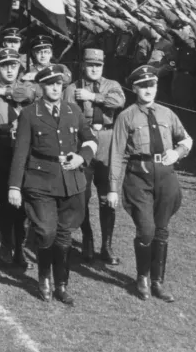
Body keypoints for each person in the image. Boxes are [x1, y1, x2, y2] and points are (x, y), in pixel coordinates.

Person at [8, 65, 97, 305]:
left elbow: (90, 139)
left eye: (59, 83)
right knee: (46, 231)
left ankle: (62, 284)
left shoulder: (73, 110)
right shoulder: (29, 113)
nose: (55, 88)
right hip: (40, 181)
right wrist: (14, 187)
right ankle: (44, 278)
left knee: (64, 235)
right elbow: (20, 153)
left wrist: (82, 157)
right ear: (40, 87)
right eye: (49, 84)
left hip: (71, 181)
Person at [108, 65, 193, 302]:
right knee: (146, 229)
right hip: (139, 176)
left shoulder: (167, 113)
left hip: (165, 176)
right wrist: (113, 189)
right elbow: (116, 153)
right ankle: (142, 277)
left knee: (162, 229)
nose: (148, 90)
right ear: (134, 88)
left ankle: (158, 281)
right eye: (143, 85)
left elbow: (186, 139)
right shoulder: (127, 116)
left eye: (152, 85)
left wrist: (177, 153)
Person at [63, 48, 126, 264]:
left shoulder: (112, 85)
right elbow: (67, 114)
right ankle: (87, 239)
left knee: (107, 194)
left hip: (107, 141)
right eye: (90, 65)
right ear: (83, 65)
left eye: (98, 65)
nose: (94, 69)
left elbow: (118, 102)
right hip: (83, 142)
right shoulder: (72, 88)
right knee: (82, 193)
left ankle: (106, 245)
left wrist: (93, 97)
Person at [0, 48, 39, 268]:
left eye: (13, 65)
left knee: (24, 201)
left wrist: (2, 92)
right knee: (7, 201)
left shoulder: (27, 88)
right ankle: (7, 244)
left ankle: (20, 248)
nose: (9, 69)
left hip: (25, 149)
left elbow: (29, 95)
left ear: (20, 68)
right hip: (0, 147)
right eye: (4, 65)